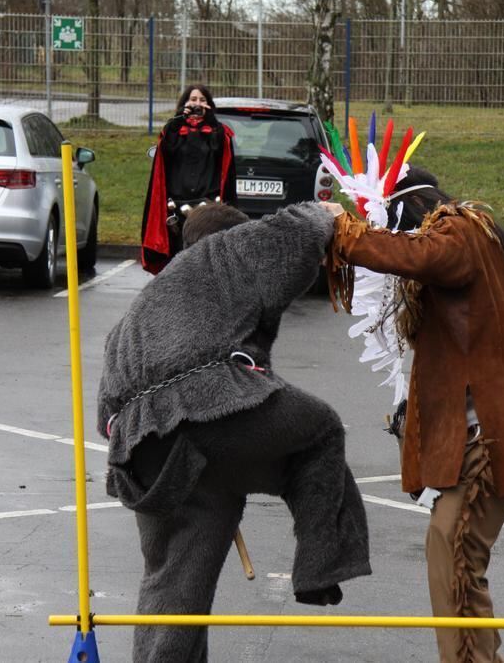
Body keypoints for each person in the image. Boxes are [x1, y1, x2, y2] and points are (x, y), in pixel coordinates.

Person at [98, 201, 371, 663]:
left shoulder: (133, 316)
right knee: (320, 430)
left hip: (146, 455)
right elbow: (294, 228)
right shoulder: (224, 250)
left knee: (174, 580)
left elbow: (105, 417)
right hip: (210, 408)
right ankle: (320, 568)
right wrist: (324, 209)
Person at [328, 168, 504, 663]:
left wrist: (343, 229)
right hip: (487, 433)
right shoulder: (479, 237)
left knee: (452, 553)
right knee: (457, 555)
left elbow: (417, 254)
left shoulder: (456, 229)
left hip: (489, 438)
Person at [140, 84, 237, 275]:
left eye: (202, 100)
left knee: (205, 262)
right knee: (178, 263)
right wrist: (178, 121)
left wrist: (210, 120)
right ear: (185, 103)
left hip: (208, 209)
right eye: (193, 100)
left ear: (209, 105)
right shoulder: (174, 130)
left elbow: (220, 151)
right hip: (176, 210)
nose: (197, 104)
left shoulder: (218, 132)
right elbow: (166, 151)